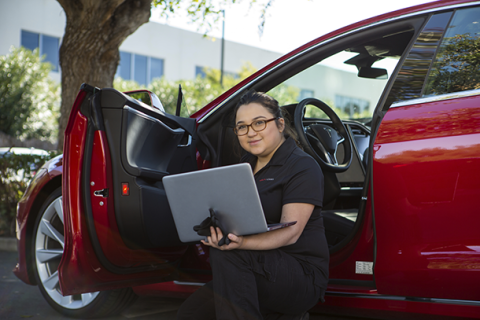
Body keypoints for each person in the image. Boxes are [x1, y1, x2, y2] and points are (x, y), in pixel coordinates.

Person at [177, 91, 329, 320]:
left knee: (231, 253)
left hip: (301, 276)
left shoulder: (303, 166)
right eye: (242, 127)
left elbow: (291, 233)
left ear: (279, 124)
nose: (250, 133)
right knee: (189, 314)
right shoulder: (244, 166)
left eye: (258, 123)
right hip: (253, 267)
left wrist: (242, 243)